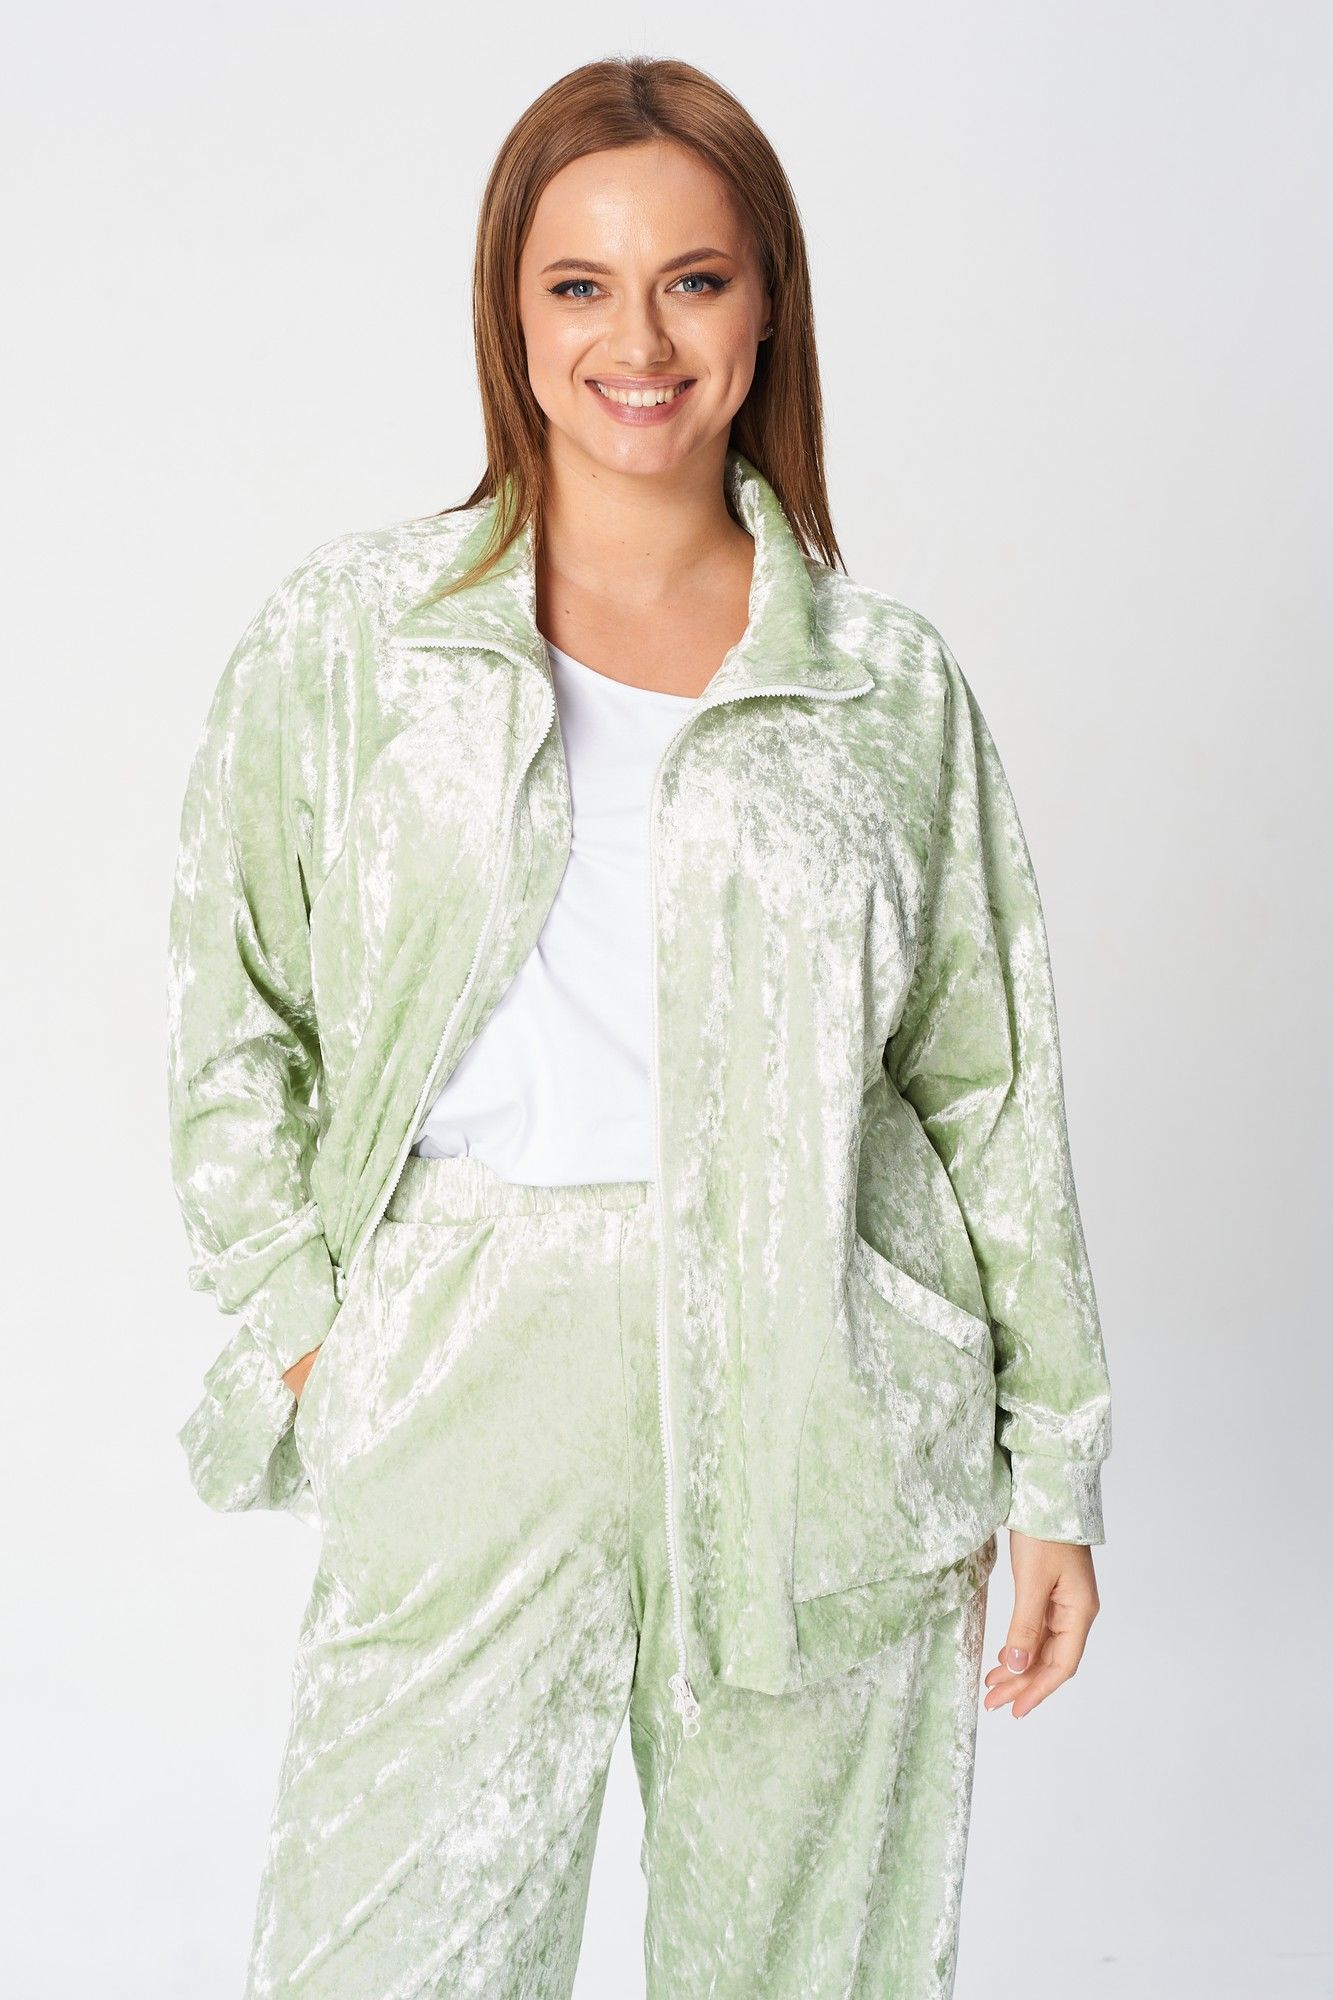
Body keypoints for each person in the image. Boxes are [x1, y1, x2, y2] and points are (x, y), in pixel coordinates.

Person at [166, 54, 1112, 2000]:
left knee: (804, 1970)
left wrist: (1051, 1471)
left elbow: (987, 1092)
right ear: (510, 317)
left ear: (765, 309)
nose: (639, 340)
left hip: (824, 1391)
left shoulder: (882, 688)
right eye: (579, 285)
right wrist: (317, 1326)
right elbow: (231, 1013)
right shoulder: (355, 642)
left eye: (693, 279)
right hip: (473, 1356)